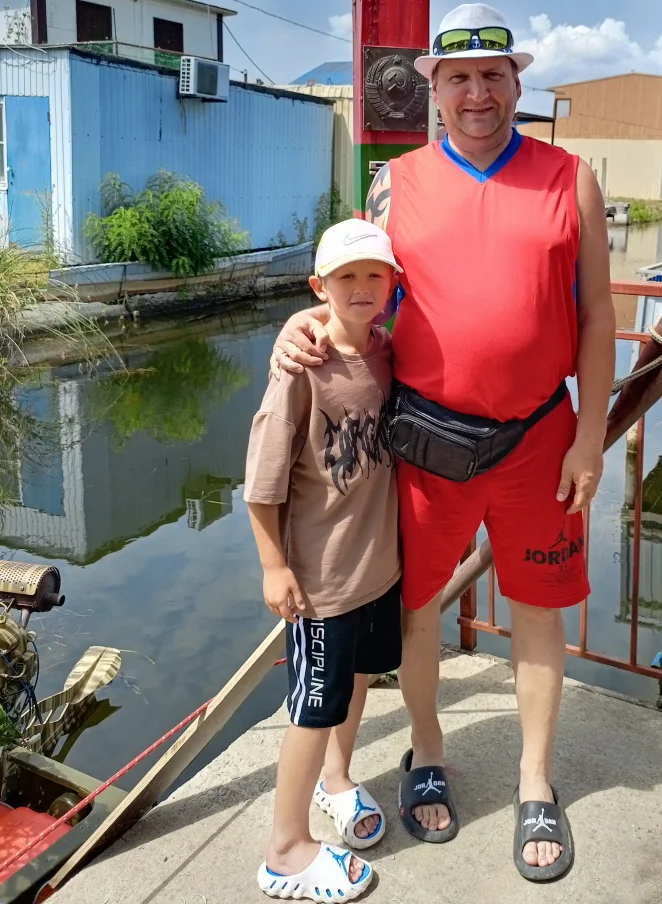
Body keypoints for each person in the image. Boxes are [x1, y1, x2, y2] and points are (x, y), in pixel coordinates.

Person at [272, 3, 616, 882]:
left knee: (538, 609)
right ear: (434, 88)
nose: (476, 93)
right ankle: (426, 751)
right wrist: (303, 324)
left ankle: (535, 779)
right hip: (427, 440)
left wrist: (590, 437)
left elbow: (598, 315)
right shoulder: (395, 184)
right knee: (416, 608)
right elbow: (360, 291)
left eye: (492, 76)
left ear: (516, 82)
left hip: (540, 437)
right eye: (457, 78)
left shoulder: (570, 178)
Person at [244, 219, 404, 901]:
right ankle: (285, 850)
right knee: (312, 709)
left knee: (360, 678)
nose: (361, 287)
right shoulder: (299, 369)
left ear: (393, 284)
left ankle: (336, 781)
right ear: (320, 286)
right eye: (346, 277)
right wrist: (273, 566)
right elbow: (261, 483)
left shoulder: (387, 351)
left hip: (377, 569)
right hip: (321, 583)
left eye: (374, 275)